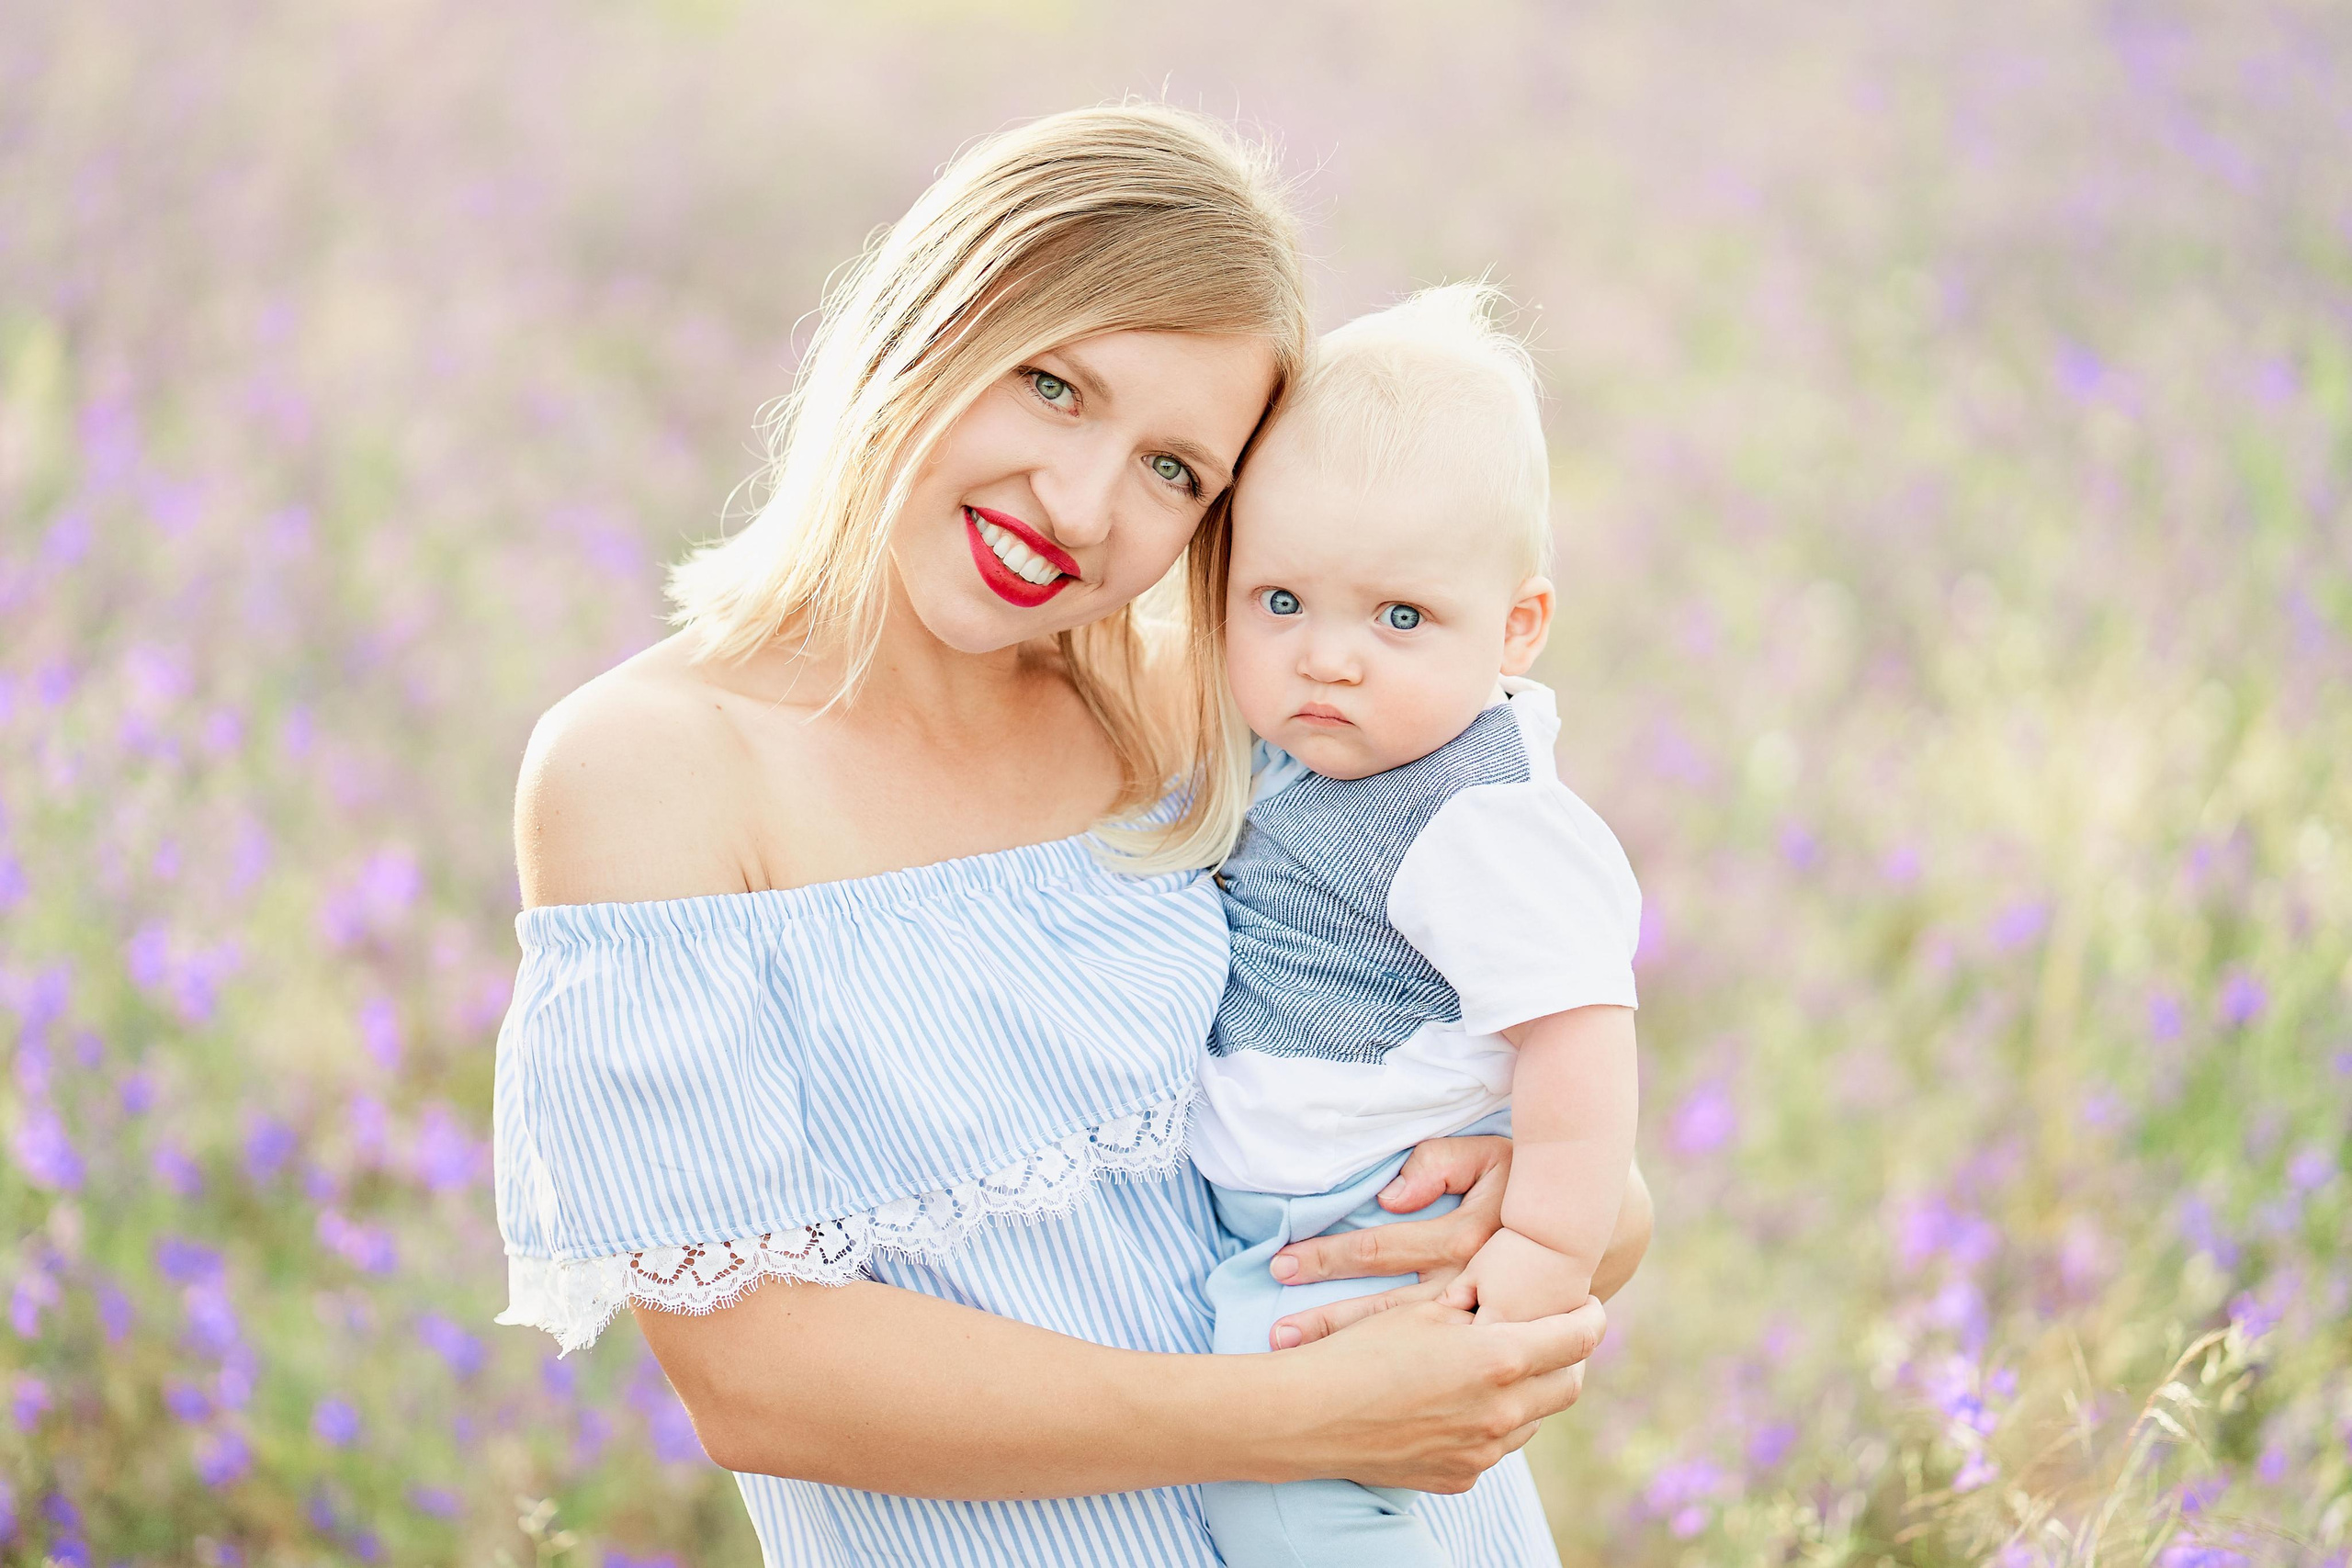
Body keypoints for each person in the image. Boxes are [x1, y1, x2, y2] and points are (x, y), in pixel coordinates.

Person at [491, 104, 1650, 1568]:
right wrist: (1286, 1418)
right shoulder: (654, 769)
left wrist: (1533, 1200)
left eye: (1179, 470)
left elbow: (1573, 1159)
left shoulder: (1203, 714)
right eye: (1053, 386)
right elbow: (756, 1383)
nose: (1084, 505)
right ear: (927, 318)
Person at [1193, 285, 1640, 1567]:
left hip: (1371, 1223)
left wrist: (1549, 1248)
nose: (1328, 659)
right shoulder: (1307, 746)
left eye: (1400, 619)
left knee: (1298, 1511)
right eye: (1280, 602)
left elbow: (1578, 1038)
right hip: (1290, 1222)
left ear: (1517, 630)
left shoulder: (1477, 822)